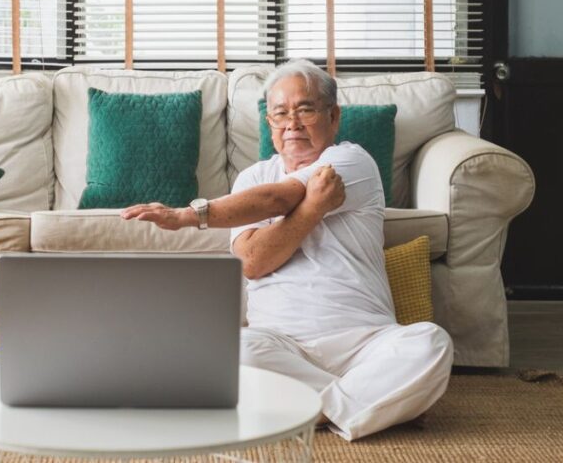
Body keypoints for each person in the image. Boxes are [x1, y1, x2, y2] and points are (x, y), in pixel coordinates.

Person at [121, 59, 453, 441]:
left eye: (305, 109)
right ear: (270, 125)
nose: (292, 123)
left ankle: (308, 408)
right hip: (280, 345)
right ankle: (372, 402)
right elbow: (252, 261)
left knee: (430, 343)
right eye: (280, 113)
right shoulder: (253, 180)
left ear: (333, 117)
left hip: (366, 341)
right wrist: (314, 208)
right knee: (230, 351)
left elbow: (282, 197)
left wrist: (187, 215)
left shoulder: (351, 160)